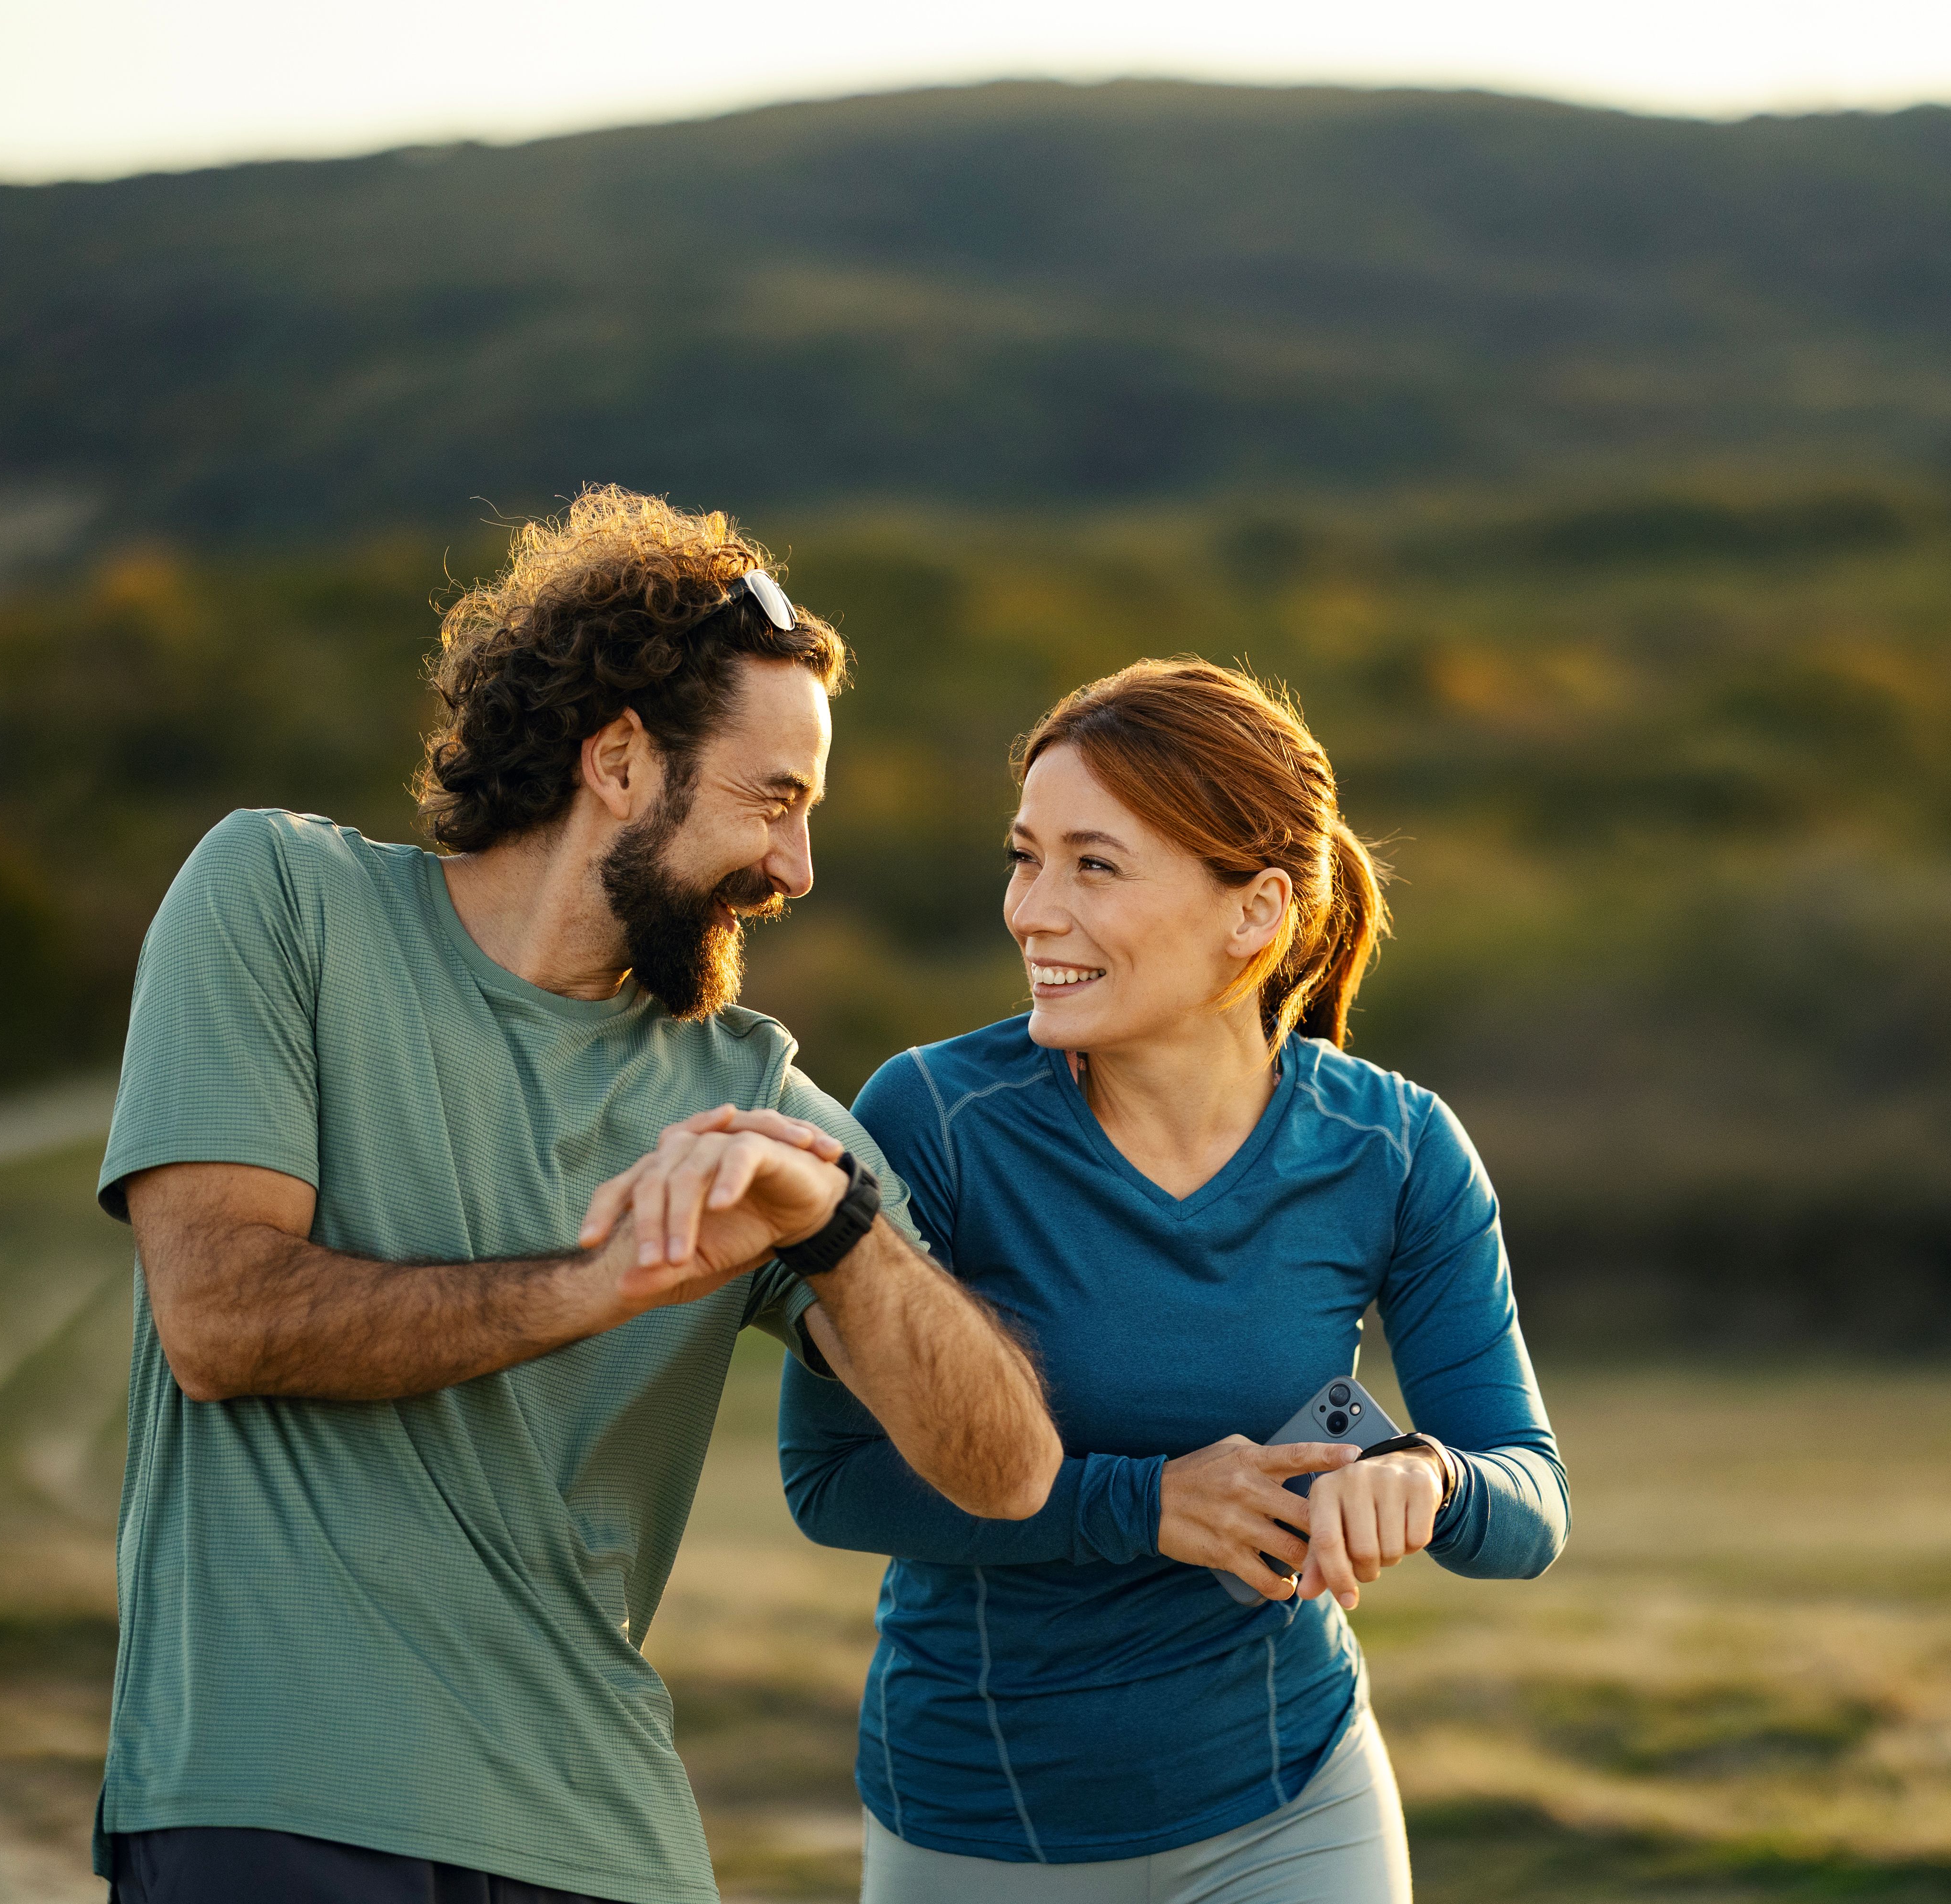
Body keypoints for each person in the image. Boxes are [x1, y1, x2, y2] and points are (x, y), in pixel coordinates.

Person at [91, 486, 1063, 1904]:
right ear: (619, 759)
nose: (794, 868)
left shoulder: (764, 1110)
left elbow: (1008, 1472)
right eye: (772, 803)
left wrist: (839, 1230)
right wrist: (598, 1284)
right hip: (273, 1800)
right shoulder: (283, 904)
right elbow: (224, 1319)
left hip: (607, 1844)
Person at [772, 658, 1572, 1899]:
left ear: (1253, 910)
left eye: (1094, 865)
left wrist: (1432, 1479)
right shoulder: (936, 1122)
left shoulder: (1396, 1149)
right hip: (986, 1820)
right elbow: (831, 1484)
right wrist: (1144, 1505)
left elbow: (1528, 1501)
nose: (1033, 911)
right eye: (1024, 857)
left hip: (1297, 1802)